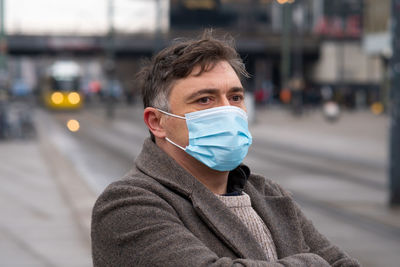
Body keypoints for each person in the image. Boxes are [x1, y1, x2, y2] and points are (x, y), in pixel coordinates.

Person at [91, 30, 360, 266]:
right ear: (157, 122)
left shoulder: (269, 194)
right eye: (205, 99)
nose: (228, 111)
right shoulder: (126, 206)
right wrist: (313, 262)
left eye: (235, 97)